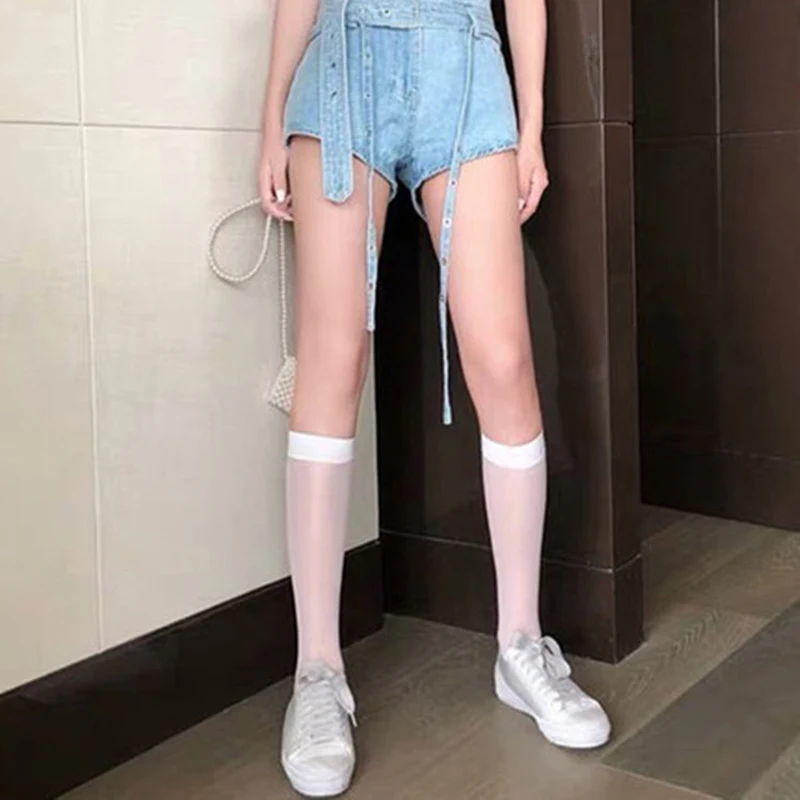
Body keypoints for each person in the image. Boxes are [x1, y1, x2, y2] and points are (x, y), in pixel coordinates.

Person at [258, 0, 611, 794]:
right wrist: (272, 115)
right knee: (332, 361)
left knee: (504, 360)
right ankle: (317, 670)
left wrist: (532, 125)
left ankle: (521, 644)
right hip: (344, 59)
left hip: (466, 62)